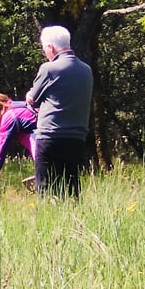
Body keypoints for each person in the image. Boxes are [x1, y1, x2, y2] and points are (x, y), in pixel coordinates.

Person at [25, 24, 93, 197]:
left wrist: (28, 97)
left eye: (44, 49)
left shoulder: (49, 69)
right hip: (77, 138)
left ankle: (49, 221)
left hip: (50, 136)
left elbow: (33, 99)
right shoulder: (86, 70)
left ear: (51, 47)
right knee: (71, 187)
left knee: (46, 189)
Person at [0, 93, 38, 198]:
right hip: (58, 138)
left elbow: (0, 153)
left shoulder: (9, 117)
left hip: (41, 147)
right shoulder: (20, 106)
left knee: (48, 188)